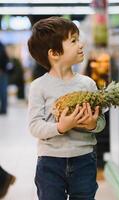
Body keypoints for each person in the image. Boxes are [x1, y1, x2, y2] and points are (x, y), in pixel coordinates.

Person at [27, 17, 106, 200]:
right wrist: (60, 127)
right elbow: (34, 126)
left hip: (84, 159)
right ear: (54, 53)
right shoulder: (39, 87)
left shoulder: (88, 84)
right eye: (73, 40)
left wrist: (93, 124)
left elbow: (101, 122)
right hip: (50, 162)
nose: (81, 44)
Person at [0, 41, 9, 114]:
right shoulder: (2, 46)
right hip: (3, 72)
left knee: (3, 91)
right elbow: (6, 59)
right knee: (3, 91)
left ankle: (3, 109)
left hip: (2, 72)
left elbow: (4, 59)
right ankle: (3, 109)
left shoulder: (1, 46)